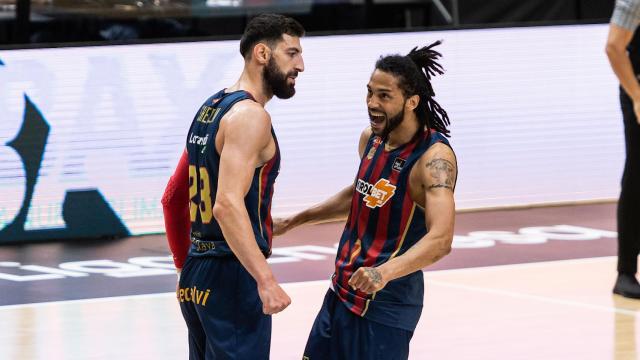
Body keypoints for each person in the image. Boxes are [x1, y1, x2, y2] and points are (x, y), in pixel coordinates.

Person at [275, 41, 457, 359]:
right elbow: (361, 191)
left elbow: (441, 240)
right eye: (370, 92)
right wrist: (296, 220)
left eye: (384, 96)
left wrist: (382, 273)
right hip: (341, 291)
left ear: (412, 101)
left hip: (385, 306)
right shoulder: (371, 139)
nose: (372, 103)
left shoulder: (433, 158)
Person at [160, 13, 305, 359]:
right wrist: (265, 280)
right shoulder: (252, 117)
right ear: (262, 54)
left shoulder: (210, 108)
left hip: (198, 270)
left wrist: (185, 266)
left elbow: (173, 198)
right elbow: (225, 204)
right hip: (231, 273)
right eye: (292, 53)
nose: (301, 65)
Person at [606, 0, 640, 299]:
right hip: (638, 88)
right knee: (637, 177)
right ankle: (626, 272)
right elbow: (614, 47)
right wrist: (637, 96)